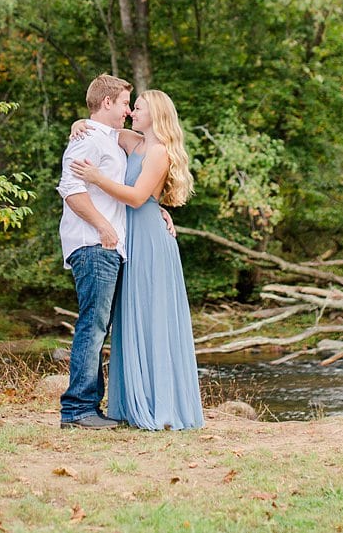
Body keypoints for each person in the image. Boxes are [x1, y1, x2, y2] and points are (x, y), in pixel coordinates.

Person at [71, 89, 204, 430]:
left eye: (138, 107)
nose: (131, 112)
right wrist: (78, 123)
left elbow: (135, 197)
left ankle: (161, 405)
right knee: (129, 319)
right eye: (131, 107)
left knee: (152, 318)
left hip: (149, 240)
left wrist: (97, 178)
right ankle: (131, 402)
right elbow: (103, 129)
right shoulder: (134, 142)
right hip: (129, 240)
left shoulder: (159, 151)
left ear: (155, 114)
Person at [56, 73, 133, 430]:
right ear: (107, 103)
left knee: (99, 326)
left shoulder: (107, 138)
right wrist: (103, 226)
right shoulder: (88, 139)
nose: (128, 111)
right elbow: (70, 188)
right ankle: (78, 411)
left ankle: (90, 407)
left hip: (108, 246)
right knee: (92, 325)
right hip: (93, 243)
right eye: (123, 103)